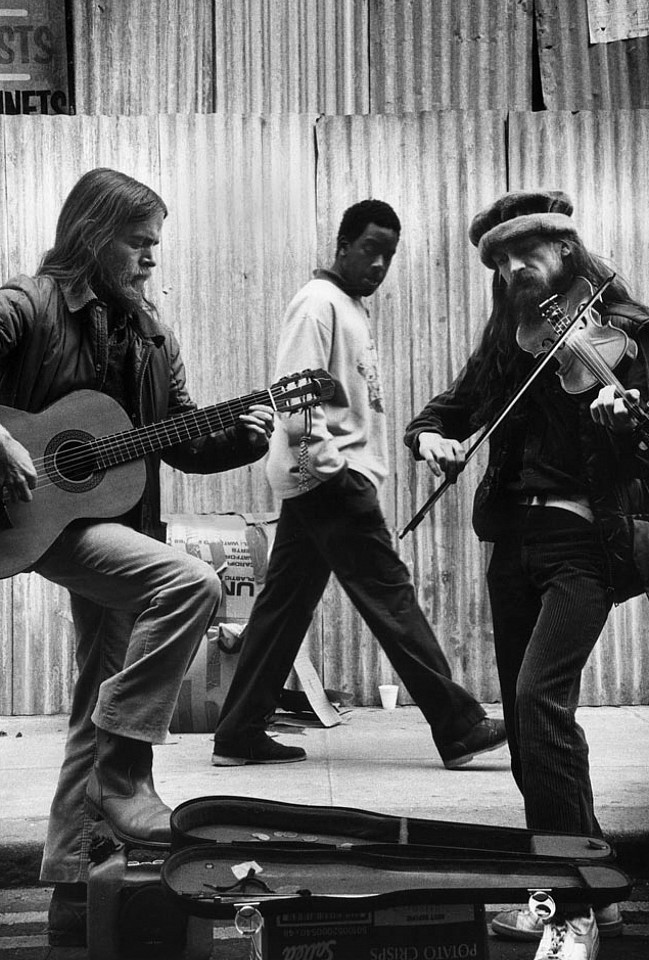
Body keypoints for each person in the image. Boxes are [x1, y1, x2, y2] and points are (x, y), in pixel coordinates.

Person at [0, 168, 275, 947]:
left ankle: (74, 904)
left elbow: (178, 437)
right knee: (188, 584)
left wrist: (242, 437)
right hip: (31, 514)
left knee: (99, 699)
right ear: (93, 234)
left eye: (156, 244)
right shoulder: (28, 304)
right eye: (138, 241)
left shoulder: (154, 335)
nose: (152, 258)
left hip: (108, 520)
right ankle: (125, 774)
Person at [404, 189, 649, 960]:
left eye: (526, 252)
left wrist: (619, 431)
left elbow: (636, 461)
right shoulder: (509, 341)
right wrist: (431, 442)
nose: (513, 269)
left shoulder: (632, 333)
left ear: (567, 251)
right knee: (528, 728)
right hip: (513, 541)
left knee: (538, 701)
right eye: (499, 261)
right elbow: (444, 412)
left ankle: (572, 908)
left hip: (583, 543)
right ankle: (584, 890)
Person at [211, 198, 507, 771]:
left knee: (283, 608)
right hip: (329, 480)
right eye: (370, 250)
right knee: (390, 597)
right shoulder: (317, 303)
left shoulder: (347, 306)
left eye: (388, 255)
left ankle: (238, 733)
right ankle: (459, 725)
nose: (379, 265)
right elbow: (294, 397)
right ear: (343, 245)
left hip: (319, 482)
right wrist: (330, 469)